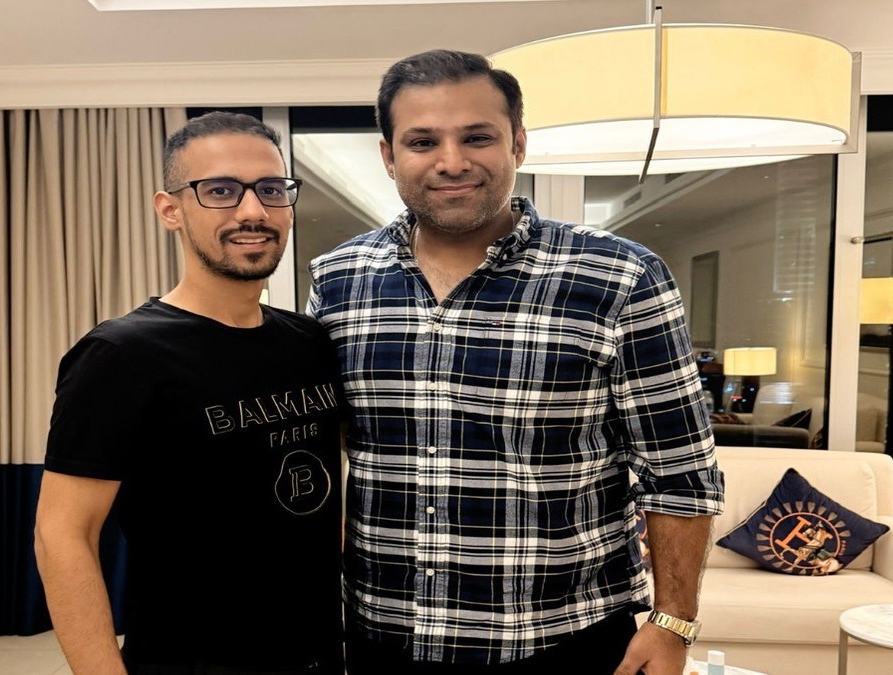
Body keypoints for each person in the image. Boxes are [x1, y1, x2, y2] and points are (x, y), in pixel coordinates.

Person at [307, 50, 725, 675]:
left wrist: (674, 621)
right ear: (389, 157)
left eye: (477, 137)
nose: (452, 161)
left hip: (564, 642)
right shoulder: (338, 280)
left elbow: (680, 471)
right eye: (423, 141)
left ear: (519, 144)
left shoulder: (620, 277)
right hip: (381, 638)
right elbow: (322, 452)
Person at [35, 111, 344, 675]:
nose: (253, 211)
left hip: (319, 653)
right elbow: (62, 534)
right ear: (170, 210)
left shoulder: (309, 341)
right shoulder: (119, 355)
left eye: (271, 189)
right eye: (220, 191)